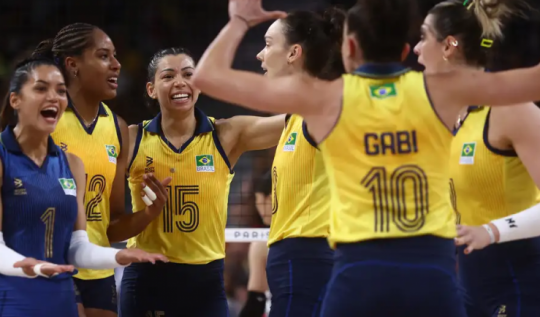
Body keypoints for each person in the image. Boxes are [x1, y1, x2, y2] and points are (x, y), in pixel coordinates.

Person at [192, 0, 540, 315]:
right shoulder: (443, 92)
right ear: (405, 49)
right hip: (431, 269)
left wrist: (239, 21)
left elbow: (207, 77)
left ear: (350, 48)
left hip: (358, 270)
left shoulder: (323, 100)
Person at [120, 47, 285, 317]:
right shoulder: (131, 139)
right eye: (168, 76)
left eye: (188, 74)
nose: (180, 82)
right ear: (151, 89)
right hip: (146, 278)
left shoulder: (226, 135)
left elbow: (293, 122)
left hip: (205, 283)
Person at [0, 58, 167, 317]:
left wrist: (118, 257)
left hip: (61, 291)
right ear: (15, 100)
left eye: (60, 90)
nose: (54, 97)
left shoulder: (72, 165)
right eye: (41, 89)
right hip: (13, 293)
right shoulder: (3, 158)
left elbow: (78, 249)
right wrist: (29, 266)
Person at [415, 2, 540, 315]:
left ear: (448, 45)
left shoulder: (509, 108)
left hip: (521, 279)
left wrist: (493, 230)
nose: (416, 49)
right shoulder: (447, 119)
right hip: (469, 283)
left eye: (423, 37)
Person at [254, 8, 345, 317]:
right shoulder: (297, 114)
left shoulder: (324, 109)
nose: (259, 55)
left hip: (310, 254)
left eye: (268, 44)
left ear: (294, 52)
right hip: (295, 257)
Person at [239, 171, 272, 317]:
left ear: (270, 199)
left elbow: (256, 300)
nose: (258, 208)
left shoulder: (261, 244)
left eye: (258, 200)